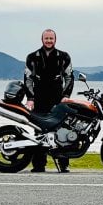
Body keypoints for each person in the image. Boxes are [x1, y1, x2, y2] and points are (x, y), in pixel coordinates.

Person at [24, 28, 74, 173]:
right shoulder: (32, 57)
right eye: (46, 38)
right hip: (39, 98)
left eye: (51, 38)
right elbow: (28, 79)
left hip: (58, 99)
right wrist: (30, 99)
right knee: (39, 133)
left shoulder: (64, 57)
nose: (49, 41)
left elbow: (69, 77)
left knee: (62, 130)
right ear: (42, 40)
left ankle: (64, 164)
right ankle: (39, 165)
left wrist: (66, 96)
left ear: (55, 40)